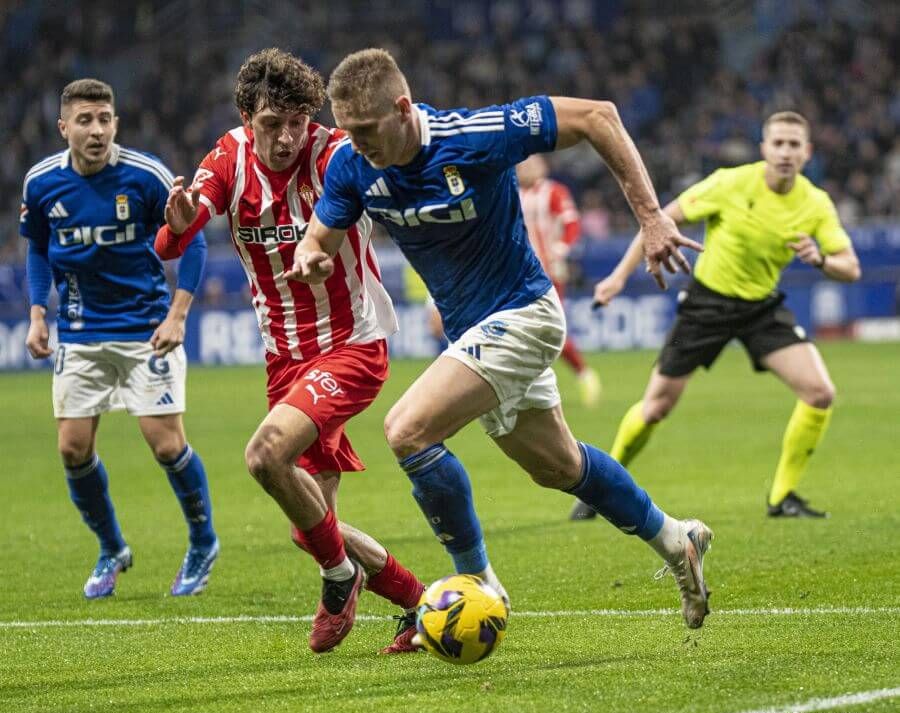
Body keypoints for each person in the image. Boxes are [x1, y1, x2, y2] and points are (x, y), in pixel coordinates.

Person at [288, 48, 714, 630]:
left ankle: (476, 584)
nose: (356, 143)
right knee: (559, 467)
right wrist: (311, 258)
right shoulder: (352, 166)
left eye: (365, 130)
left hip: (525, 312)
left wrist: (651, 217)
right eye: (347, 131)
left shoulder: (477, 135)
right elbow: (319, 239)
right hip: (474, 332)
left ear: (403, 107)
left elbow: (599, 116)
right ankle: (675, 538)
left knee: (407, 430)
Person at [155, 49, 425, 653]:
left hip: (353, 345)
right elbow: (174, 238)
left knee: (264, 455)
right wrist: (177, 223)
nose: (285, 138)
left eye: (296, 122)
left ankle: (340, 579)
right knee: (310, 526)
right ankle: (420, 603)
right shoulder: (228, 158)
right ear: (247, 117)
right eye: (271, 124)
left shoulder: (336, 153)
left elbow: (396, 190)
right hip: (285, 359)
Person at [574, 111, 861, 522]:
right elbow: (659, 220)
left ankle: (782, 498)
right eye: (777, 143)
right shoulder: (729, 183)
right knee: (656, 407)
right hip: (706, 304)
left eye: (794, 145)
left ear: (807, 152)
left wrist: (821, 260)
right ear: (764, 148)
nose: (785, 152)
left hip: (761, 307)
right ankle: (598, 489)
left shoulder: (815, 203)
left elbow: (850, 268)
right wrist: (618, 277)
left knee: (820, 393)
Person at [21, 79, 218, 599]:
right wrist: (38, 314)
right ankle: (111, 548)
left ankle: (203, 541)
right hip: (81, 331)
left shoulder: (145, 175)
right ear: (64, 127)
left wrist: (178, 315)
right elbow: (38, 250)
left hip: (145, 330)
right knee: (72, 448)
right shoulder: (41, 184)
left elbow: (191, 239)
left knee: (165, 443)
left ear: (116, 123)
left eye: (105, 118)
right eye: (85, 120)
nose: (97, 129)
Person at [516, 154, 601, 406]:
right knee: (523, 328)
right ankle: (525, 384)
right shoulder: (512, 194)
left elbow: (571, 224)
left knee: (551, 328)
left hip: (548, 273)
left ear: (543, 166)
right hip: (518, 273)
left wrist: (562, 249)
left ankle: (584, 373)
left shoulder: (554, 192)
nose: (525, 169)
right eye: (521, 165)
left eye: (530, 164)